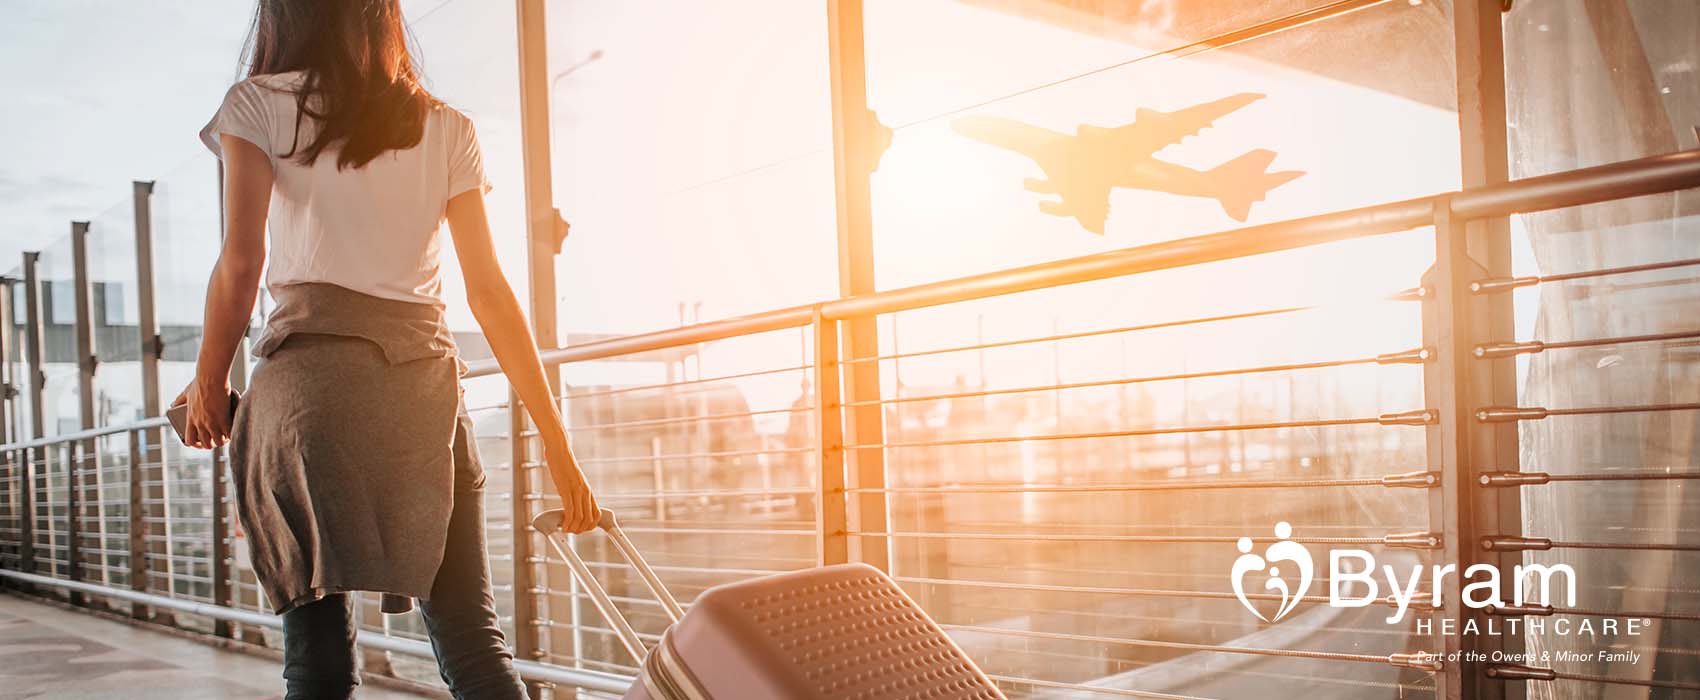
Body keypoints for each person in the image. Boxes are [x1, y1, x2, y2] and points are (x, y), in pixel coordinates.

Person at [174, 1, 599, 697]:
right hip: (419, 398)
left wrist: (206, 380)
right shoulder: (447, 127)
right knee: (472, 640)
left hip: (307, 400)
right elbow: (490, 292)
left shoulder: (255, 105)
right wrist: (557, 444)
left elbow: (241, 262)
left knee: (317, 664)